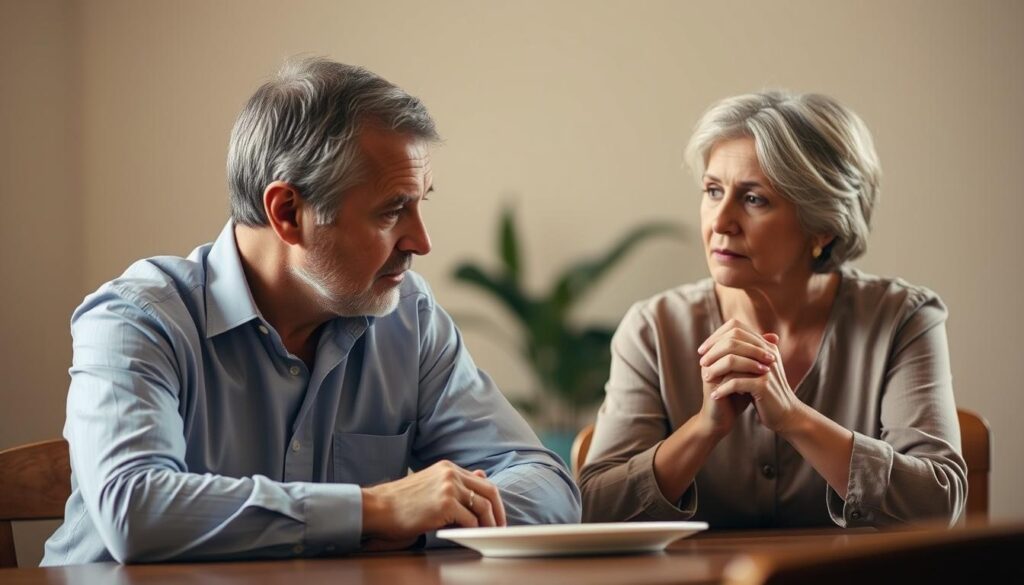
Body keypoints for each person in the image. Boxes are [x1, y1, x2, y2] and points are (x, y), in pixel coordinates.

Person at [42, 57, 580, 565]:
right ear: (288, 212)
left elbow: (548, 485)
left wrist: (417, 524)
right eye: (393, 209)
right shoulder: (136, 319)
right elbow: (135, 509)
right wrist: (375, 509)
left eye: (422, 203)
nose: (421, 240)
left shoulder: (409, 319)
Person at [579, 91, 966, 528]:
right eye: (712, 190)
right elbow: (595, 508)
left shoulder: (902, 319)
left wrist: (795, 418)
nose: (720, 221)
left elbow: (937, 503)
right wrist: (705, 428)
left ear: (821, 226)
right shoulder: (653, 329)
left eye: (754, 199)